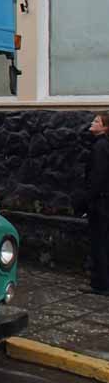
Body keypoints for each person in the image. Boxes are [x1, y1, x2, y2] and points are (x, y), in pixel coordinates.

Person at [84, 113, 109, 295]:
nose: (92, 123)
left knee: (99, 242)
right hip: (103, 201)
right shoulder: (102, 145)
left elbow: (97, 178)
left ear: (105, 127)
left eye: (96, 121)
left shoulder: (100, 147)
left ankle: (101, 284)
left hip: (100, 203)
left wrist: (88, 202)